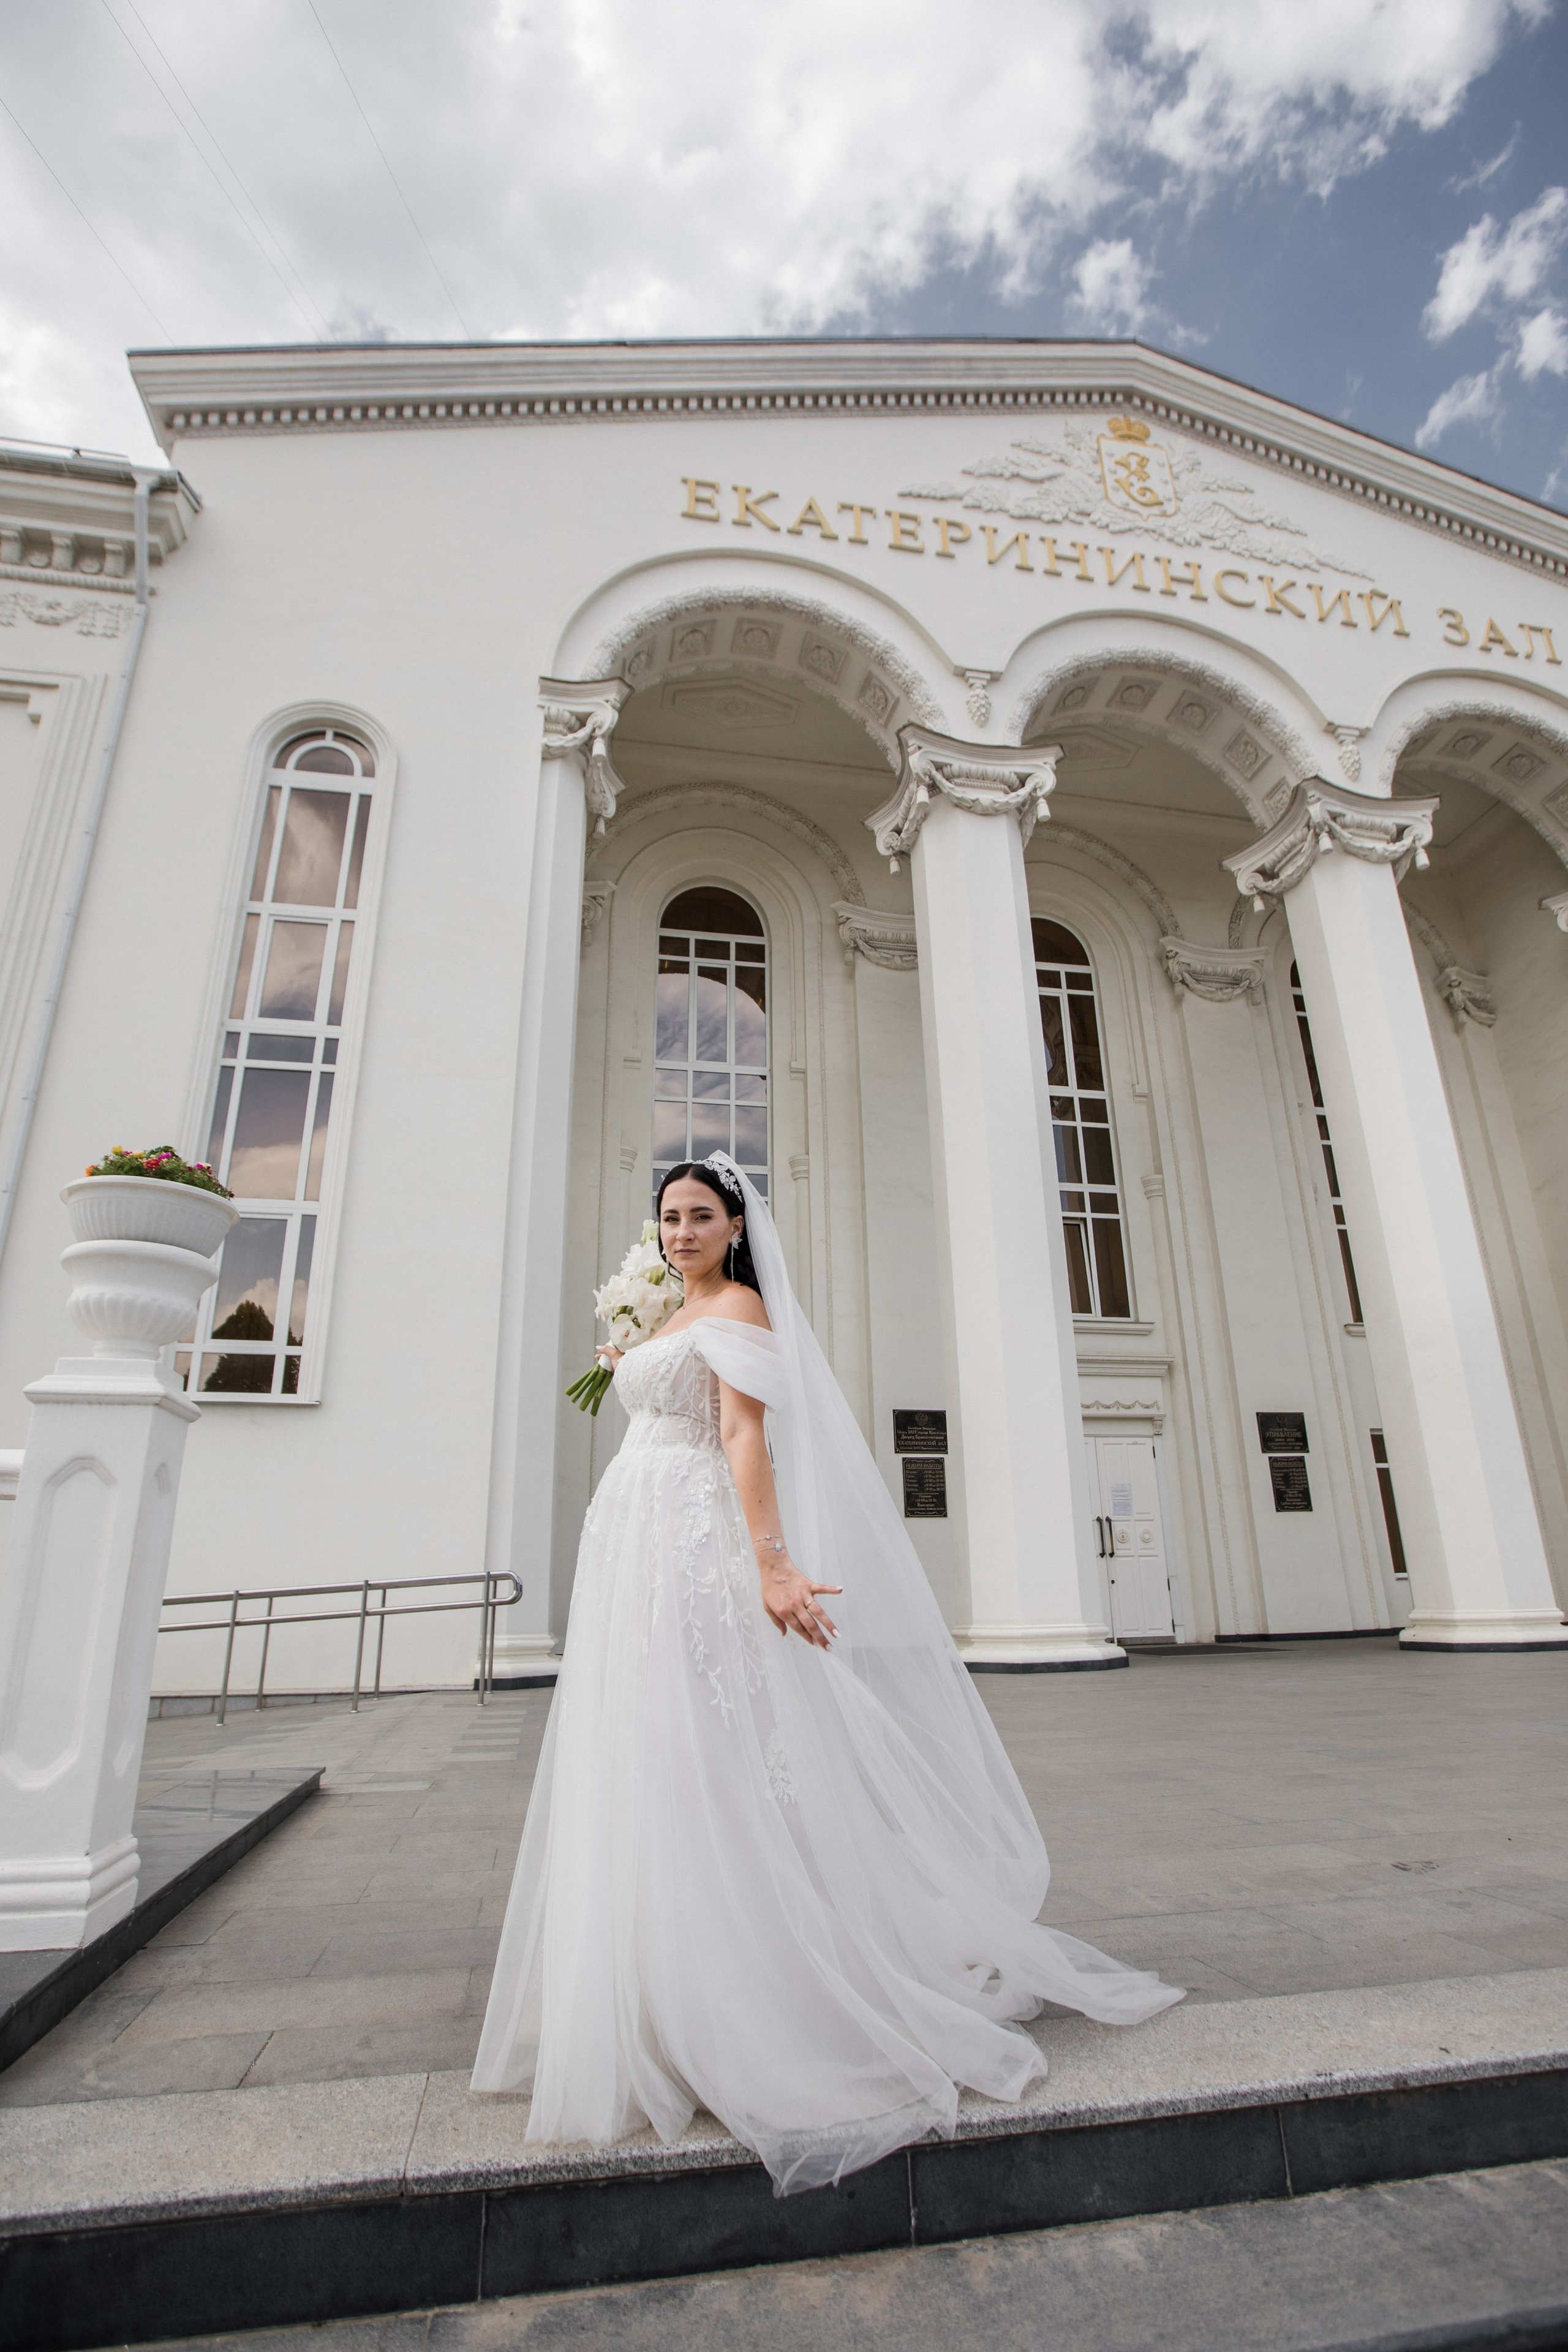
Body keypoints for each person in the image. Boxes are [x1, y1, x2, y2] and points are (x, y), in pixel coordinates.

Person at [471, 1152, 1182, 2192]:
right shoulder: (671, 1306)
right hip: (631, 1538)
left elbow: (742, 1436)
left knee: (702, 1745)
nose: (679, 1233)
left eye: (698, 1217)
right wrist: (626, 1351)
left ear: (733, 1225)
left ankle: (746, 1986)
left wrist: (772, 1564)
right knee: (642, 1743)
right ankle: (646, 1987)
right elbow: (662, 1393)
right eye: (667, 1218)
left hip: (692, 1537)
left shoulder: (746, 1309)